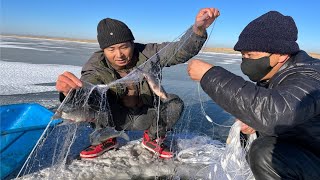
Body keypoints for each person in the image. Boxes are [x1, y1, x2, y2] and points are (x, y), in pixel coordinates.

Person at [55, 8, 220, 159]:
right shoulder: (95, 66)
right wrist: (69, 92)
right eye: (111, 49)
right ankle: (105, 139)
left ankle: (153, 137)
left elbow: (180, 51)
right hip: (114, 119)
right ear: (103, 50)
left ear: (132, 44)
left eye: (124, 47)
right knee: (96, 102)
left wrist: (198, 30)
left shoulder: (149, 53)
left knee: (175, 103)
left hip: (146, 115)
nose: (118, 54)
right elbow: (88, 90)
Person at [188, 11, 320, 179]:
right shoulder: (273, 75)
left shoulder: (311, 75)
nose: (245, 61)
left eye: (250, 55)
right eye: (243, 55)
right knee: (251, 132)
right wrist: (256, 123)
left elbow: (280, 113)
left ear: (281, 55)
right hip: (307, 151)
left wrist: (210, 75)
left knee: (264, 153)